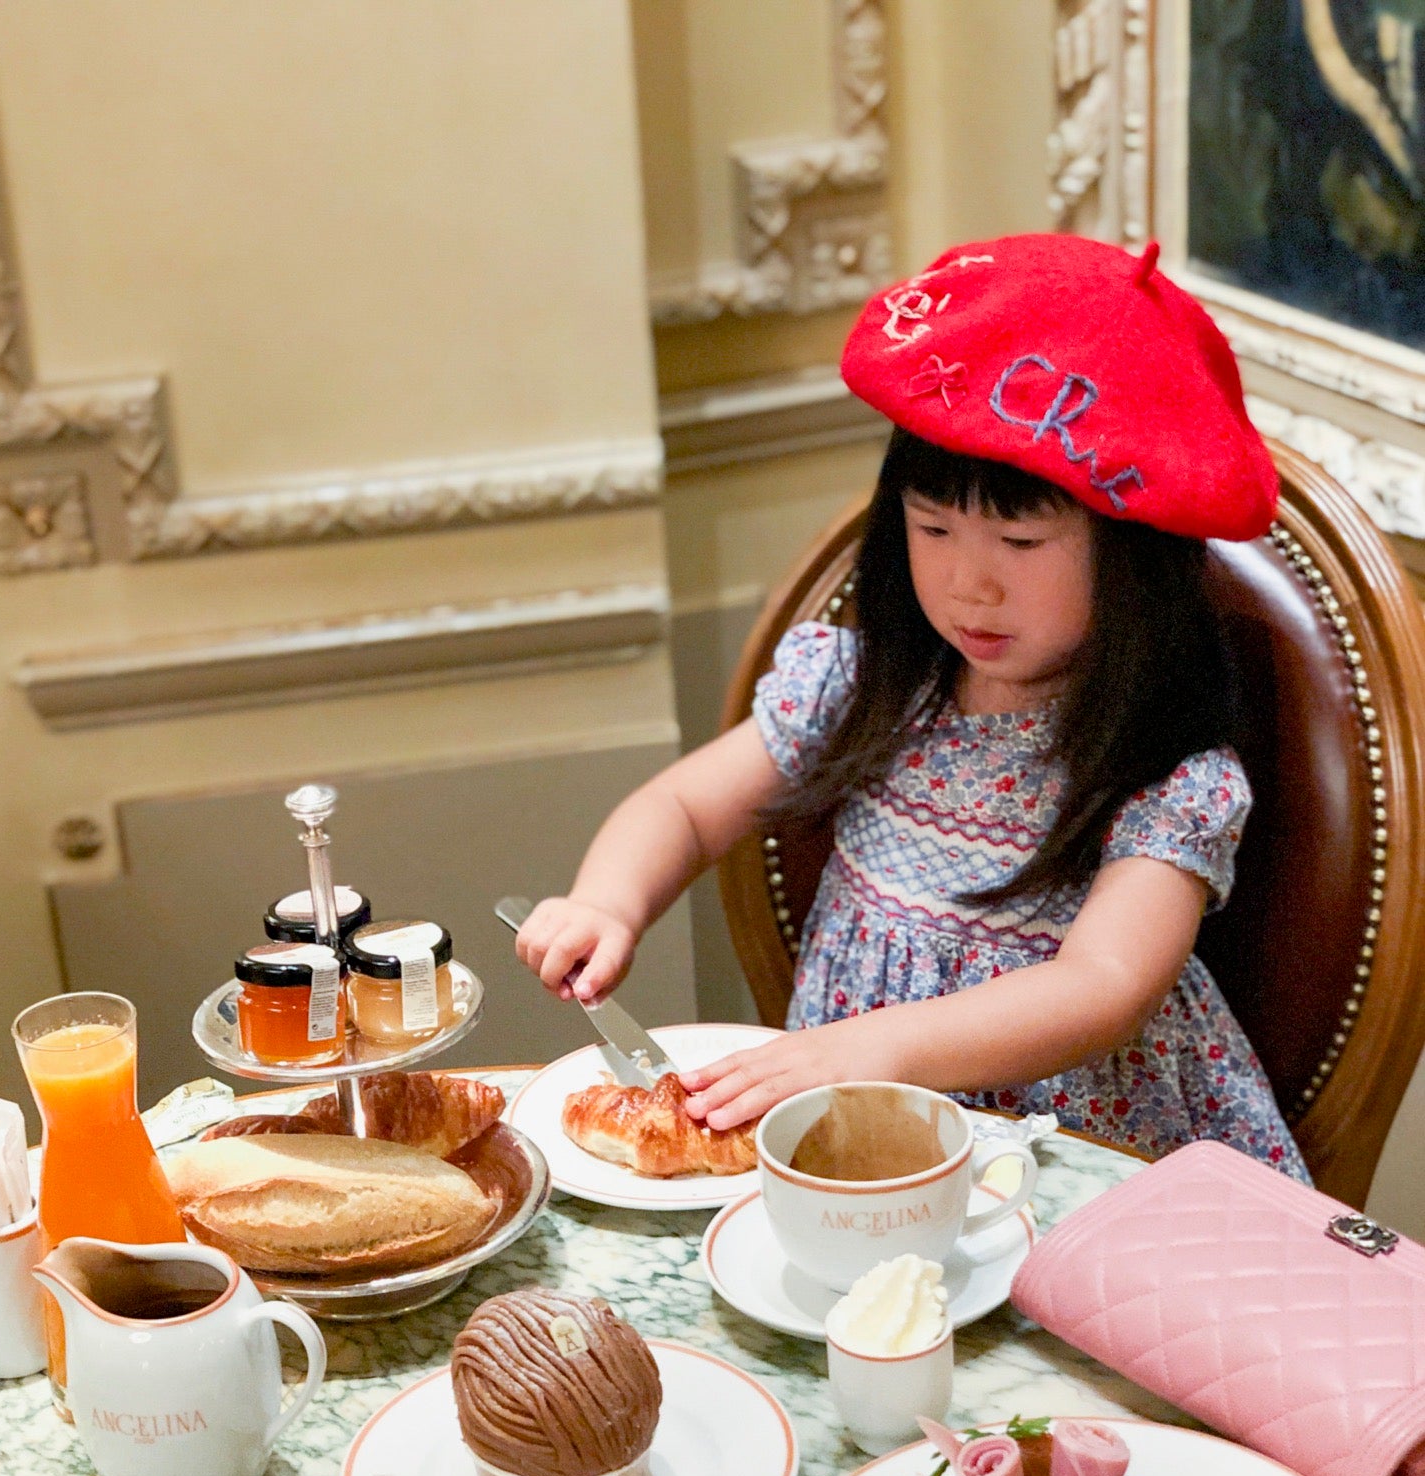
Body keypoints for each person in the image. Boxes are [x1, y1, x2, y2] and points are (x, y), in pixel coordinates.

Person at [515, 234, 1308, 1178]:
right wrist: (609, 902)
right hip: (858, 1146)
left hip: (1071, 1170)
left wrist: (877, 1046)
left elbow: (1105, 987)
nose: (970, 585)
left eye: (1019, 542)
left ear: (1137, 560)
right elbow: (683, 806)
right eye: (934, 528)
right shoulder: (859, 688)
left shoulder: (1169, 773)